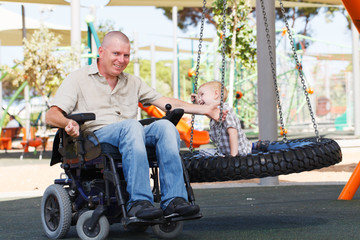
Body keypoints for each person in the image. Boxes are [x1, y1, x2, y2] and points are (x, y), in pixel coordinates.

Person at [45, 31, 227, 220]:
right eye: (116, 54)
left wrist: (205, 110)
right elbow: (51, 115)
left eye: (126, 55)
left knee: (166, 127)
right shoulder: (78, 79)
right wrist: (68, 122)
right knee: (132, 126)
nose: (121, 60)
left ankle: (174, 200)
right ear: (101, 51)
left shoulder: (133, 82)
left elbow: (166, 101)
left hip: (131, 134)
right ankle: (138, 203)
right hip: (95, 137)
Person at [192, 81, 252, 157]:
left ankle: (252, 145)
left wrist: (233, 156)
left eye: (202, 95)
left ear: (216, 94)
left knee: (204, 153)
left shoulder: (225, 110)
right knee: (203, 152)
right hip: (225, 152)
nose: (200, 99)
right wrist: (197, 101)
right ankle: (251, 145)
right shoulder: (214, 113)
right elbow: (203, 110)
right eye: (199, 96)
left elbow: (233, 132)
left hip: (237, 152)